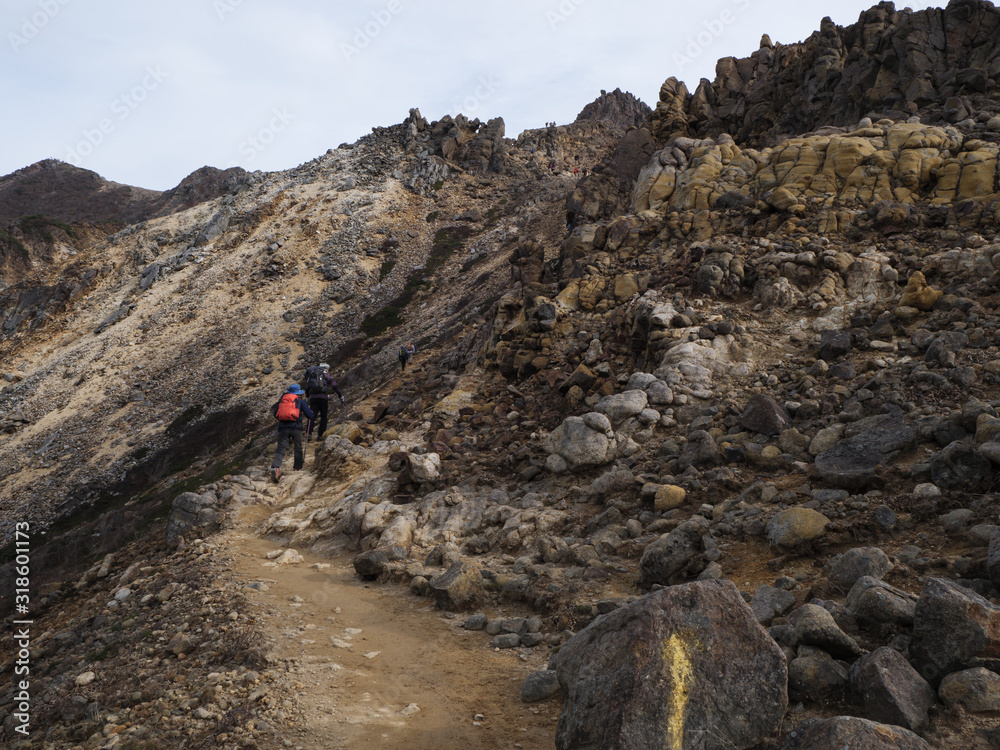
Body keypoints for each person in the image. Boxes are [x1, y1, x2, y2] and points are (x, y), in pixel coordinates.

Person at [269, 384, 313, 482]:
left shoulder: (283, 401)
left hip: (283, 428)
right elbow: (309, 415)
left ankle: (275, 467)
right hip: (296, 428)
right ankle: (297, 468)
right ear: (298, 393)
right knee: (297, 447)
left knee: (281, 449)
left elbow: (275, 414)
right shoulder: (300, 401)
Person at [305, 362, 344, 440]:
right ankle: (320, 435)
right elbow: (334, 386)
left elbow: (307, 387)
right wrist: (340, 395)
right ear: (326, 369)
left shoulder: (313, 376)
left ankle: (308, 434)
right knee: (323, 416)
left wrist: (307, 397)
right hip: (323, 398)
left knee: (312, 416)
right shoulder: (326, 376)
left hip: (313, 398)